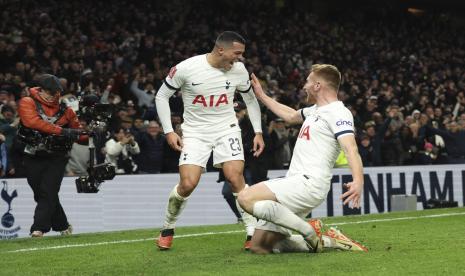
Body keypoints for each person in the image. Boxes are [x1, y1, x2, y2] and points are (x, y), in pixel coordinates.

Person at [238, 64, 367, 254]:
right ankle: (329, 241)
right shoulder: (315, 110)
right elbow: (290, 115)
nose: (304, 86)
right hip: (295, 182)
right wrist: (262, 96)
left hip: (309, 183)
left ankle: (309, 230)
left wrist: (358, 180)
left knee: (245, 197)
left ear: (317, 85)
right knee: (260, 247)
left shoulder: (339, 113)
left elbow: (350, 148)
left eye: (307, 81)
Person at [155, 31, 265, 250]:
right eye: (237, 53)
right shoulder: (187, 68)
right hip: (196, 132)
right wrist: (169, 131)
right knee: (187, 184)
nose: (239, 58)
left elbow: (250, 100)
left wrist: (258, 132)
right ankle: (168, 227)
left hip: (227, 129)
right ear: (221, 49)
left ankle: (252, 233)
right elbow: (161, 96)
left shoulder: (239, 70)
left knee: (235, 177)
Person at [17, 73, 86, 237]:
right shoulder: (27, 102)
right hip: (32, 155)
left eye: (57, 92)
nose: (55, 95)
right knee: (40, 193)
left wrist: (89, 132)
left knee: (47, 191)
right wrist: (63, 131)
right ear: (41, 90)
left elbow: (79, 135)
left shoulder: (67, 111)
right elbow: (31, 122)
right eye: (51, 92)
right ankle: (62, 225)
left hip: (57, 157)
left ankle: (38, 228)